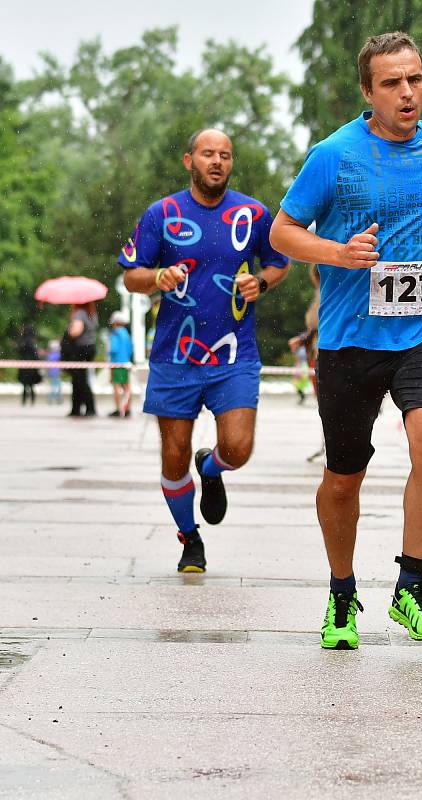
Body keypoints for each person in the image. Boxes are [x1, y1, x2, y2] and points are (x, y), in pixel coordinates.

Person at [270, 31, 422, 649]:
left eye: (414, 79)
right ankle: (341, 595)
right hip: (350, 339)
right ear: (368, 92)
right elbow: (282, 232)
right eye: (392, 83)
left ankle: (411, 586)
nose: (407, 93)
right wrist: (338, 252)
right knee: (344, 475)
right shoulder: (334, 154)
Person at [119, 128, 289, 573]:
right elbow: (130, 276)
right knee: (173, 458)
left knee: (238, 448)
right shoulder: (163, 213)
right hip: (175, 357)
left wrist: (262, 281)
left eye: (226, 155)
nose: (217, 162)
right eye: (208, 154)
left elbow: (279, 261)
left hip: (234, 354)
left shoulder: (254, 213)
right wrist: (156, 278)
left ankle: (211, 469)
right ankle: (189, 538)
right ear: (188, 160)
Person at [64, 303, 98, 417]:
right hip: (90, 347)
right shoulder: (92, 314)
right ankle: (85, 407)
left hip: (80, 349)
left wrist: (69, 329)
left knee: (78, 380)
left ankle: (82, 408)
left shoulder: (79, 313)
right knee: (82, 379)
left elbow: (75, 332)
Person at [108, 311, 134, 417]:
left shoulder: (115, 334)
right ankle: (127, 408)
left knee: (117, 386)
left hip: (117, 363)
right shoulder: (126, 334)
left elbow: (113, 349)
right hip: (126, 362)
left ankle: (119, 409)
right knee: (127, 387)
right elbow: (130, 349)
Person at [15, 324, 42, 406]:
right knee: (30, 385)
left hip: (25, 365)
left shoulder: (23, 341)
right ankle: (31, 402)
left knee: (25, 385)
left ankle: (25, 402)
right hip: (31, 366)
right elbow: (35, 354)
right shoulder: (32, 341)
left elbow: (19, 350)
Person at [46, 340, 62, 404]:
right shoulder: (57, 355)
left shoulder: (50, 355)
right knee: (57, 386)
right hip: (56, 373)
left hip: (52, 373)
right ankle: (54, 398)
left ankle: (57, 398)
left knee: (55, 386)